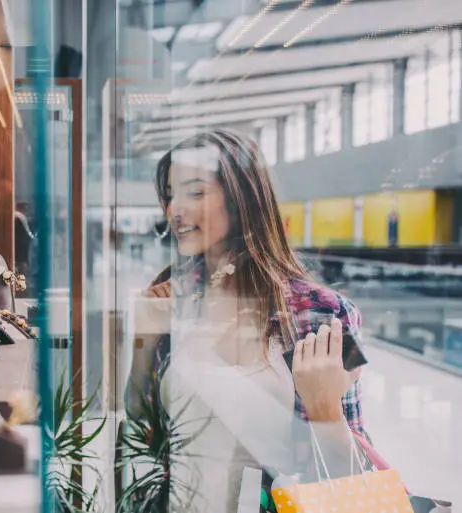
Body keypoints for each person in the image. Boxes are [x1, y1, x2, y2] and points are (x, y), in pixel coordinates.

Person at [125, 128, 369, 512]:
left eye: (194, 191)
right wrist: (144, 338)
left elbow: (354, 476)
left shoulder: (327, 313)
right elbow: (140, 423)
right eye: (171, 195)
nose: (175, 209)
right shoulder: (169, 294)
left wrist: (325, 411)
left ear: (241, 200)